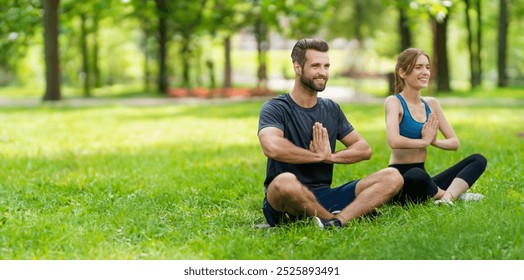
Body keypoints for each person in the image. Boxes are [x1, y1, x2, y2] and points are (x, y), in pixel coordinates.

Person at [257, 38, 403, 228]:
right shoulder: (276, 107)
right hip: (284, 202)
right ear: (297, 67)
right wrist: (314, 156)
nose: (323, 72)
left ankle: (337, 221)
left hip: (324, 195)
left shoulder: (330, 109)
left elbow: (363, 149)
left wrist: (329, 157)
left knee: (393, 176)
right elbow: (272, 147)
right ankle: (333, 218)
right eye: (316, 66)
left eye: (326, 66)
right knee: (285, 181)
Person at [384, 48, 487, 205]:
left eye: (427, 67)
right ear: (402, 72)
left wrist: (435, 141)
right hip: (402, 180)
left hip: (424, 178)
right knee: (416, 175)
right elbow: (393, 140)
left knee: (478, 160)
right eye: (418, 67)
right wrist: (423, 142)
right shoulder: (394, 102)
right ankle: (452, 194)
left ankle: (445, 199)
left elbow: (454, 143)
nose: (425, 72)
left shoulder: (431, 104)